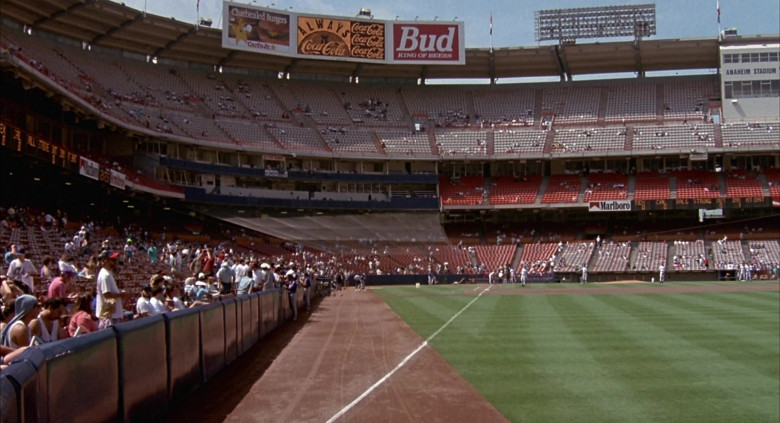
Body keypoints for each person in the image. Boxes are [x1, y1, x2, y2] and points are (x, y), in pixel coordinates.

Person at [96, 251, 124, 328]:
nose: (116, 262)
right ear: (105, 261)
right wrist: (122, 295)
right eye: (113, 260)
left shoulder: (107, 273)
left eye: (116, 260)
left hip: (111, 315)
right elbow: (107, 295)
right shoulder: (105, 275)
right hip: (109, 317)